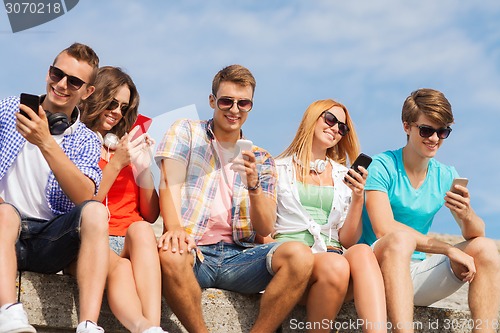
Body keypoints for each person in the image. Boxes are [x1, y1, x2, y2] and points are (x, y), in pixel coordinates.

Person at [155, 64, 314, 333]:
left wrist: (253, 185)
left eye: (244, 103)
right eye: (227, 101)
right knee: (171, 254)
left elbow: (264, 228)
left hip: (240, 257)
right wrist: (175, 229)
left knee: (301, 256)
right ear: (212, 101)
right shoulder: (186, 131)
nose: (234, 109)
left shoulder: (261, 158)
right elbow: (170, 182)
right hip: (195, 251)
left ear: (251, 106)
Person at [360, 88, 500, 333]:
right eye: (426, 130)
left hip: (416, 273)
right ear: (406, 126)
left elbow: (477, 232)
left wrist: (466, 214)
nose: (435, 138)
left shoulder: (446, 175)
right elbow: (384, 228)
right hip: (376, 272)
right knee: (399, 241)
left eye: (443, 131)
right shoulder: (382, 166)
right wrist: (447, 249)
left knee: (486, 248)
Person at [0, 43, 109, 333]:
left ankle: (88, 325)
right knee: (5, 214)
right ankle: (9, 314)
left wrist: (46, 142)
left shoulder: (86, 139)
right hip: (3, 228)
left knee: (96, 212)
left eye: (73, 81)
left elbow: (86, 197)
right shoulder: (11, 109)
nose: (61, 84)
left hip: (49, 240)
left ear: (87, 92)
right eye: (56, 73)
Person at [273, 99, 386, 333]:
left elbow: (347, 240)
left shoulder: (343, 175)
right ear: (312, 118)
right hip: (294, 261)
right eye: (331, 120)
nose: (335, 129)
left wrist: (357, 197)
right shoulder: (277, 168)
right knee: (336, 263)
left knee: (363, 251)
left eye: (342, 128)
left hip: (334, 263)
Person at [80, 66, 166, 333]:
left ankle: (153, 328)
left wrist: (143, 169)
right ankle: (145, 327)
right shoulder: (78, 141)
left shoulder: (126, 146)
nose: (117, 111)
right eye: (112, 102)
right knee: (123, 268)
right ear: (96, 96)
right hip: (93, 240)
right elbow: (86, 202)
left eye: (123, 107)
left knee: (142, 229)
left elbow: (150, 215)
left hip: (129, 236)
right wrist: (115, 164)